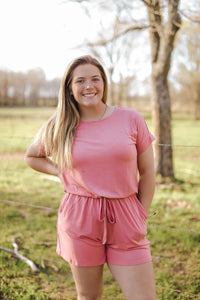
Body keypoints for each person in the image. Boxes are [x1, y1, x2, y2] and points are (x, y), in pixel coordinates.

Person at [24, 55, 157, 300]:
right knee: (89, 296)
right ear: (70, 88)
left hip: (126, 215)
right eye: (81, 81)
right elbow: (32, 156)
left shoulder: (131, 119)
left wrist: (141, 213)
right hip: (79, 216)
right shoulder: (61, 125)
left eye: (95, 79)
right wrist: (61, 172)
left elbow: (148, 172)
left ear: (104, 83)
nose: (89, 86)